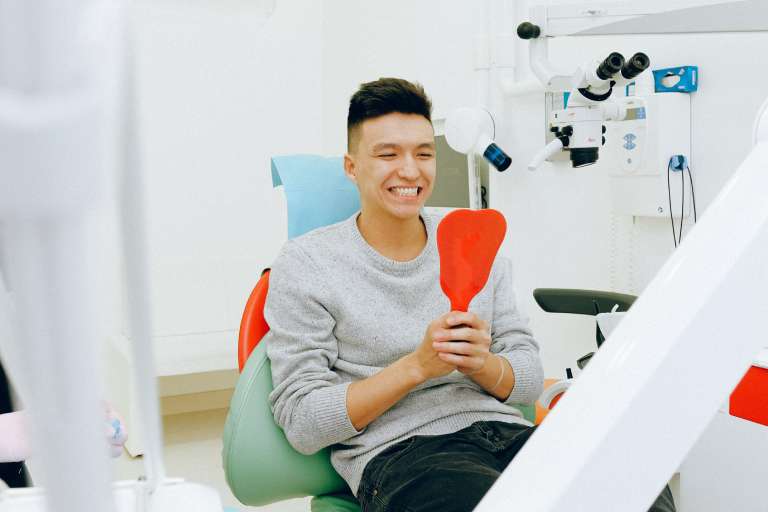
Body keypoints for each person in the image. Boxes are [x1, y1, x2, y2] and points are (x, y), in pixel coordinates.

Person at [265, 77, 675, 512]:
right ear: (352, 167)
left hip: (504, 433)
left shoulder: (470, 238)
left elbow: (528, 377)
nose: (410, 170)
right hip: (405, 454)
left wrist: (483, 364)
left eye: (424, 153)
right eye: (388, 154)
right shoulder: (308, 263)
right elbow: (303, 421)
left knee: (634, 479)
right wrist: (417, 367)